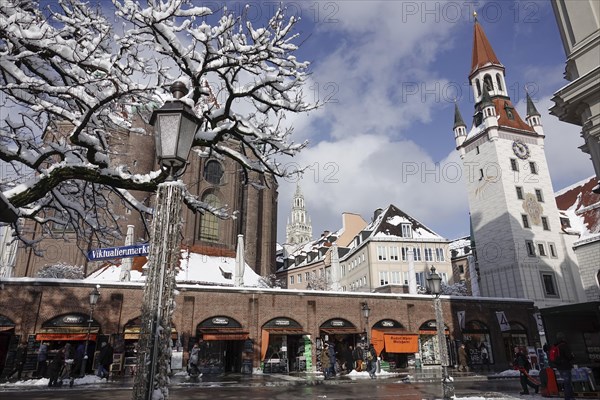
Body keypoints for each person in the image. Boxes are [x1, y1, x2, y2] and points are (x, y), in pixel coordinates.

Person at [551, 333, 574, 400]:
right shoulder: (564, 346)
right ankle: (569, 398)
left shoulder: (556, 346)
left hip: (559, 367)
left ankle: (569, 397)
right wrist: (572, 356)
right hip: (565, 366)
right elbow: (569, 356)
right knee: (568, 383)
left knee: (565, 382)